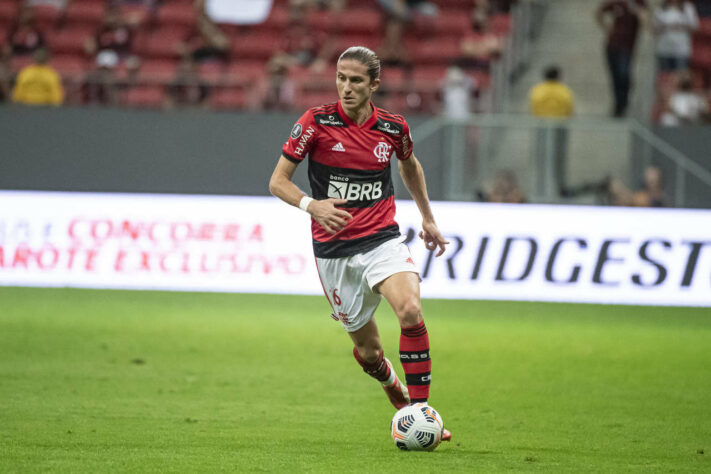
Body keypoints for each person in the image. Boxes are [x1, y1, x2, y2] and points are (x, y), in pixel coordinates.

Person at [269, 46, 452, 441]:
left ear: (374, 84)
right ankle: (391, 386)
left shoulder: (392, 128)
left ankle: (420, 411)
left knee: (410, 308)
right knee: (369, 353)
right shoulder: (315, 123)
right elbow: (277, 181)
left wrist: (427, 217)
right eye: (341, 78)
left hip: (382, 237)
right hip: (334, 251)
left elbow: (409, 164)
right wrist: (312, 205)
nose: (346, 87)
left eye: (355, 80)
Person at [596, 0, 649, 117]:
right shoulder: (617, 2)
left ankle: (624, 102)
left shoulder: (639, 3)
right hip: (612, 45)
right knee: (615, 76)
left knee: (624, 74)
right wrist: (606, 27)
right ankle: (618, 104)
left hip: (627, 47)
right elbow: (599, 11)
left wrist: (636, 10)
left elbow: (644, 21)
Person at [529, 65, 575, 196]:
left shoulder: (538, 90)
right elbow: (569, 109)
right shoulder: (564, 91)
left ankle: (540, 188)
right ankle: (559, 187)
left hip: (542, 127)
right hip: (559, 127)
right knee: (559, 159)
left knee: (541, 158)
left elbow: (534, 107)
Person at [653, 0, 699, 73]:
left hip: (681, 50)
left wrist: (681, 26)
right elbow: (654, 29)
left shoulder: (687, 7)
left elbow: (695, 27)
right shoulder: (661, 9)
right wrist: (665, 27)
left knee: (680, 78)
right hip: (664, 49)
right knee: (665, 78)